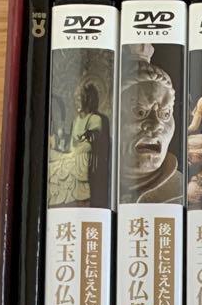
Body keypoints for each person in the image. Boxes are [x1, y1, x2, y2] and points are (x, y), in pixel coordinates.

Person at [119, 44, 182, 205]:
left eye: (165, 114)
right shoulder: (83, 188)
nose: (155, 126)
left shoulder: (187, 193)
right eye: (140, 112)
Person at [48, 80, 110, 207]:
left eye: (80, 98)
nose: (77, 101)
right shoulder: (75, 121)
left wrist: (73, 151)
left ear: (88, 99)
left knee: (66, 163)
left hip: (83, 157)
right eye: (75, 99)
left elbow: (91, 143)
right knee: (51, 160)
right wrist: (61, 144)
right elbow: (72, 143)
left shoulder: (95, 118)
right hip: (72, 156)